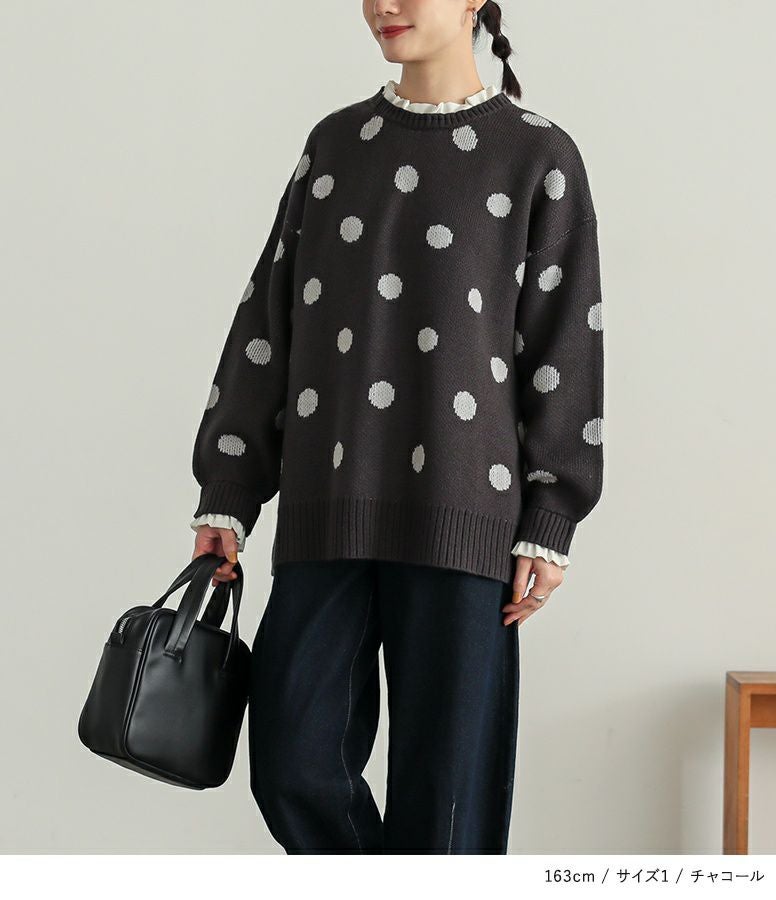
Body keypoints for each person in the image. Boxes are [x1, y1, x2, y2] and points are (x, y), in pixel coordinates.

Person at [189, 0, 604, 854]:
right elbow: (268, 323)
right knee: (293, 766)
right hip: (327, 505)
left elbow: (565, 345)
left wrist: (551, 515)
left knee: (448, 806)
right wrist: (228, 489)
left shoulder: (538, 156)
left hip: (466, 514)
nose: (384, 4)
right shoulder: (336, 145)